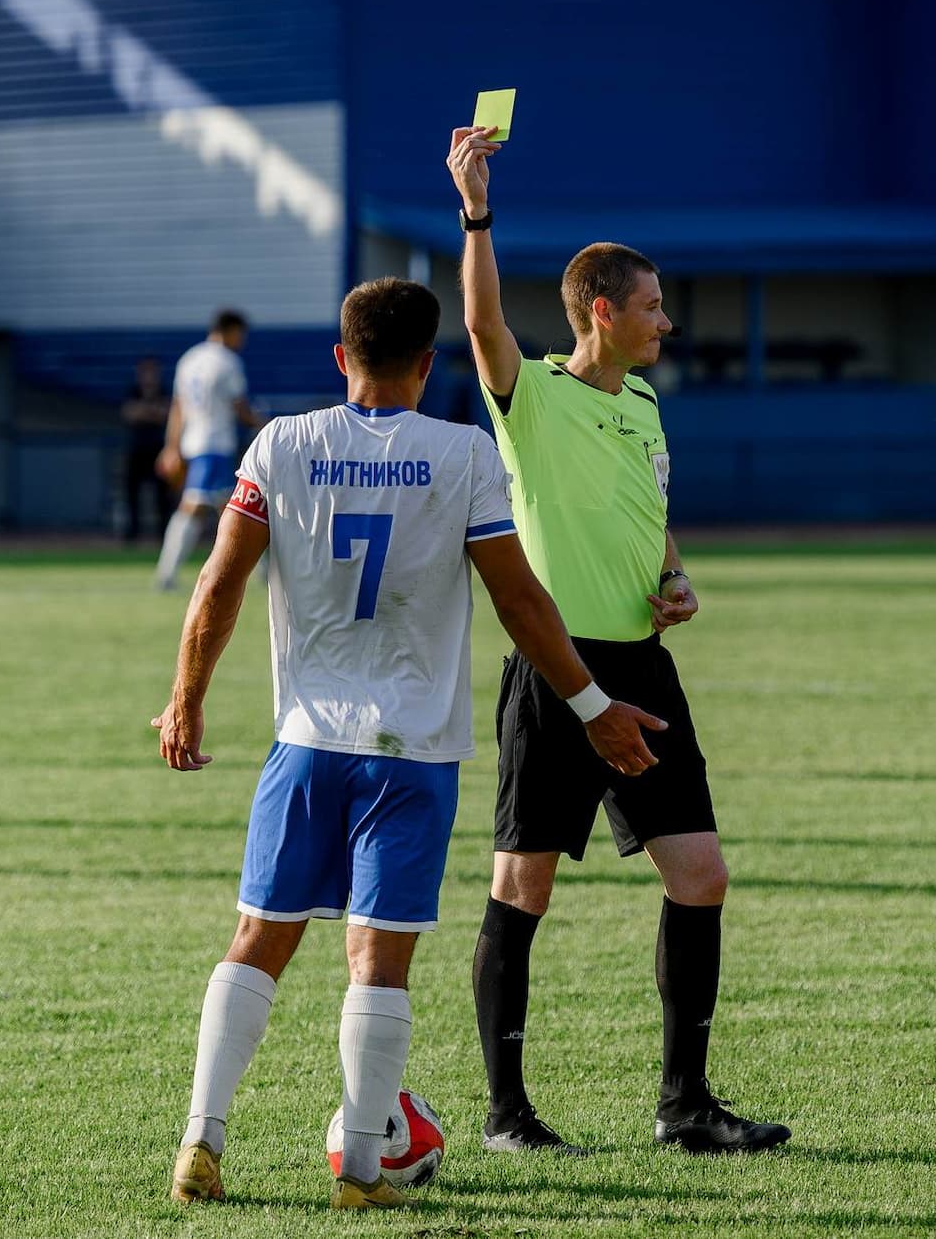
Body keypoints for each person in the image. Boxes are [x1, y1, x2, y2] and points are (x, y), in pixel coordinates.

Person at [157, 278, 664, 1210]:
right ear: (430, 367)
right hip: (412, 752)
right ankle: (358, 1162)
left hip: (305, 743)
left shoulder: (281, 443)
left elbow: (220, 584)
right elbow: (520, 601)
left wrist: (185, 699)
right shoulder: (463, 454)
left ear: (341, 358)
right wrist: (595, 704)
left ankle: (203, 1136)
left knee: (257, 939)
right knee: (378, 958)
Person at [447, 125, 789, 1155]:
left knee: (702, 874)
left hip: (646, 666)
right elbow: (477, 320)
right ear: (603, 311)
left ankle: (686, 1105)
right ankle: (508, 1114)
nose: (665, 322)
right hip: (556, 672)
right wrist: (476, 211)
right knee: (525, 883)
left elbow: (651, 509)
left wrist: (673, 572)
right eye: (650, 306)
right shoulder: (533, 394)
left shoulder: (642, 399)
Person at [153, 310, 264, 590]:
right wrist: (264, 424)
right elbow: (240, 408)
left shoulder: (189, 359)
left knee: (230, 507)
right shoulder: (227, 362)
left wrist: (171, 446)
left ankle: (262, 573)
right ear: (230, 330)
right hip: (215, 445)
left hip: (194, 444)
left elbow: (178, 408)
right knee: (211, 508)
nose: (242, 341)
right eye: (240, 334)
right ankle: (167, 575)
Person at [119, 355, 173, 542]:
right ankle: (132, 534)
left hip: (158, 449)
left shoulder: (163, 390)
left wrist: (145, 411)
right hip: (137, 449)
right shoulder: (132, 390)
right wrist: (152, 411)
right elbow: (129, 413)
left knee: (162, 496)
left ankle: (163, 534)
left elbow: (167, 413)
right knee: (132, 493)